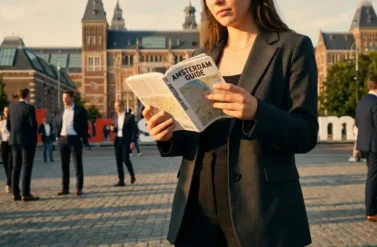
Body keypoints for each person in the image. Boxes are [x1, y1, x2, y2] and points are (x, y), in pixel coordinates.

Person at [143, 0, 318, 246]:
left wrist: (258, 111)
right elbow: (197, 134)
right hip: (197, 207)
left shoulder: (292, 47)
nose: (217, 1)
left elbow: (306, 132)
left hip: (260, 209)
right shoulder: (200, 57)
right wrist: (168, 135)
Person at [7, 88, 39, 201]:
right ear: (27, 95)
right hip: (27, 141)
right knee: (26, 166)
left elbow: (8, 125)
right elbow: (33, 125)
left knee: (16, 167)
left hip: (14, 140)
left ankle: (15, 193)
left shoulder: (11, 107)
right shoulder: (29, 108)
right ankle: (25, 193)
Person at [56, 90, 88, 196]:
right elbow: (58, 124)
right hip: (63, 140)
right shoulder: (61, 110)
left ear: (72, 98)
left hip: (75, 139)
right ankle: (65, 188)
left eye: (67, 98)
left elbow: (84, 125)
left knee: (77, 164)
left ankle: (79, 188)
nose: (64, 100)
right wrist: (57, 136)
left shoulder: (80, 110)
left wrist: (83, 137)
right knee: (64, 165)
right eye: (63, 98)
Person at [355, 75, 377, 222]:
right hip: (375, 145)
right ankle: (372, 211)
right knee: (373, 178)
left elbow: (358, 123)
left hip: (365, 144)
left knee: (373, 176)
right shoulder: (376, 103)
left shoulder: (362, 101)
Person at [110, 101, 136, 186]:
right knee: (118, 161)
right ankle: (121, 181)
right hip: (117, 141)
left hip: (126, 141)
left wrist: (132, 141)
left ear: (122, 106)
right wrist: (112, 129)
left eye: (117, 106)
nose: (116, 108)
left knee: (125, 159)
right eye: (115, 107)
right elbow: (115, 128)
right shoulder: (115, 116)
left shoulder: (129, 117)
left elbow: (133, 131)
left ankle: (132, 175)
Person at [0, 107, 12, 193]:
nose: (7, 112)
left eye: (8, 111)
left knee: (10, 165)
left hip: (11, 144)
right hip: (4, 145)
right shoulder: (1, 123)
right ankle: (10, 181)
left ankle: (8, 184)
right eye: (5, 111)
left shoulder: (13, 123)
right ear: (4, 113)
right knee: (5, 165)